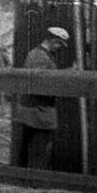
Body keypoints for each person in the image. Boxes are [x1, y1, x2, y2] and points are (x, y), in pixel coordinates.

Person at [12, 27, 70, 169]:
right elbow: (40, 85)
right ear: (53, 41)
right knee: (39, 149)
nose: (59, 49)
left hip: (33, 111)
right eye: (59, 45)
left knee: (28, 147)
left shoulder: (39, 54)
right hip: (38, 112)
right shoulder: (40, 57)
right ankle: (34, 180)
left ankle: (24, 177)